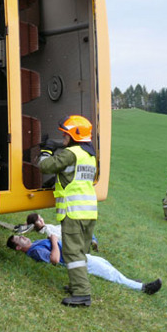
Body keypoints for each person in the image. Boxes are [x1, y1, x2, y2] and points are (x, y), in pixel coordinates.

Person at [38, 115, 98, 306]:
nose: (63, 137)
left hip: (73, 212)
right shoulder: (89, 155)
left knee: (73, 254)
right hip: (89, 212)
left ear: (73, 136)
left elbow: (44, 167)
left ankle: (82, 294)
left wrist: (47, 151)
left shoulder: (71, 154)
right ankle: (76, 285)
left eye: (65, 134)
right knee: (80, 251)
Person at [6, 234, 162, 306]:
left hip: (79, 256)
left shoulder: (34, 245)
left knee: (107, 265)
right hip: (78, 261)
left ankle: (130, 282)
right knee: (111, 274)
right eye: (20, 239)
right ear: (19, 247)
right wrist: (54, 241)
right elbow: (54, 259)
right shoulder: (34, 251)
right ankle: (144, 288)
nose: (24, 237)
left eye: (22, 235)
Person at [26, 213, 99, 251]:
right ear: (34, 225)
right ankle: (91, 241)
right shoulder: (44, 230)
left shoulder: (44, 227)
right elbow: (55, 236)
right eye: (38, 220)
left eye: (40, 217)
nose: (41, 220)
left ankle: (91, 241)